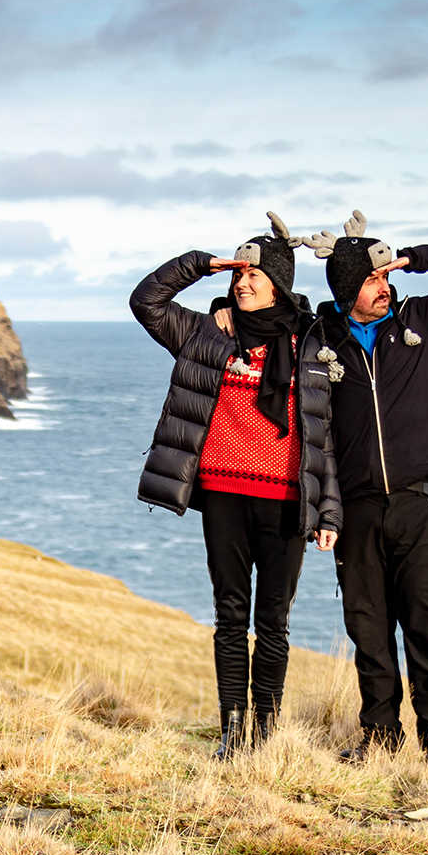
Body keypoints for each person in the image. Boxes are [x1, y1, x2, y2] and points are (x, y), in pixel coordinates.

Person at [132, 213, 341, 758]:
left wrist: (330, 513)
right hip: (223, 496)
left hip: (287, 503)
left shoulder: (313, 341)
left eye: (253, 274)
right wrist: (203, 265)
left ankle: (265, 733)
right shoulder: (207, 332)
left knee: (273, 622)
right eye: (238, 275)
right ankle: (232, 732)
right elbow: (145, 301)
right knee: (230, 617)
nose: (242, 283)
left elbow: (325, 438)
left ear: (279, 281)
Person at [304, 210, 428, 763]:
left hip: (419, 507)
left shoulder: (425, 323)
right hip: (357, 512)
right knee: (369, 637)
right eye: (374, 280)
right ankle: (380, 743)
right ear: (348, 287)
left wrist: (419, 257)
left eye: (387, 277)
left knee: (426, 636)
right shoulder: (319, 343)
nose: (385, 287)